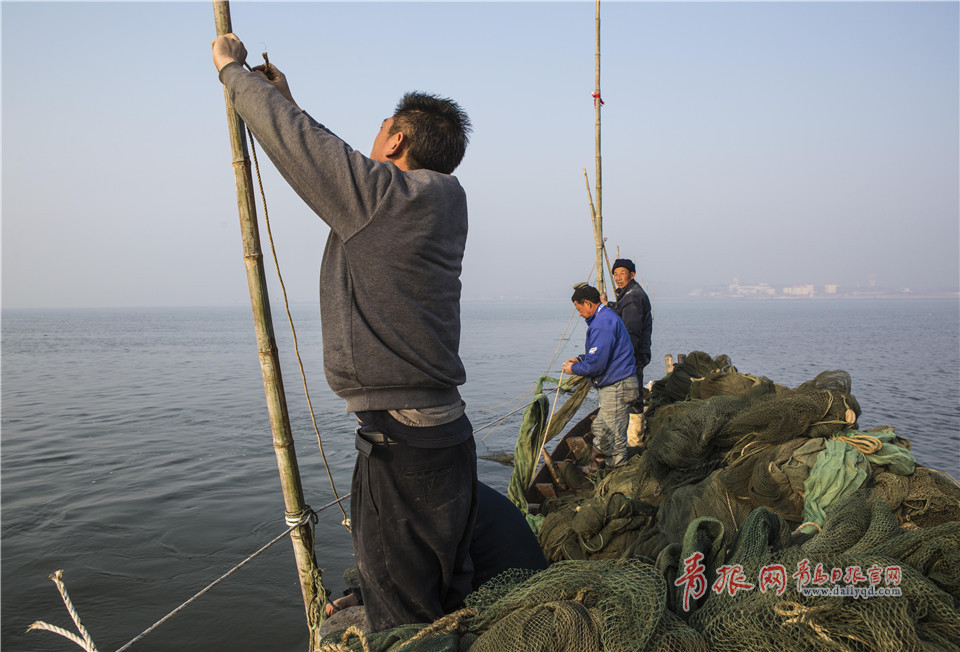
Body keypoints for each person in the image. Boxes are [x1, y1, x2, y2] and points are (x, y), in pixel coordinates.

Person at [212, 34, 477, 632]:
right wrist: (290, 99)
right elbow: (334, 158)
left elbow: (304, 149)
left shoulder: (388, 199)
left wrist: (233, 73)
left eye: (379, 131)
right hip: (440, 438)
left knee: (407, 627)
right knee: (445, 595)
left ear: (398, 140)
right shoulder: (438, 200)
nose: (371, 143)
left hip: (403, 447)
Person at [326, 482, 548, 618]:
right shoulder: (455, 489)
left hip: (516, 602)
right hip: (535, 581)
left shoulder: (436, 511)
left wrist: (360, 597)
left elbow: (420, 579)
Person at [562, 283, 639, 468]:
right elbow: (602, 353)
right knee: (600, 429)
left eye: (579, 309)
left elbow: (596, 364)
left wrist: (574, 369)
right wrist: (580, 358)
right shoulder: (604, 318)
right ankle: (595, 468)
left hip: (617, 386)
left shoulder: (602, 323)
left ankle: (616, 475)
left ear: (588, 303)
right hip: (615, 385)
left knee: (614, 438)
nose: (579, 314)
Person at [602, 259, 653, 397]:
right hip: (635, 353)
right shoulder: (628, 294)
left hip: (633, 354)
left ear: (632, 274)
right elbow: (621, 310)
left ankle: (636, 417)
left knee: (631, 394)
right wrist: (607, 305)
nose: (618, 278)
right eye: (615, 274)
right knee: (632, 391)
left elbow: (631, 330)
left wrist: (624, 356)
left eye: (622, 273)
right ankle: (636, 416)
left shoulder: (633, 297)